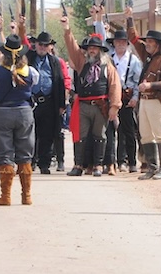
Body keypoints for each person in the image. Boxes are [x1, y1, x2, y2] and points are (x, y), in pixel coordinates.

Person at [0, 34, 39, 206]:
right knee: (25, 153)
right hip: (24, 111)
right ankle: (26, 196)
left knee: (5, 153)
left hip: (3, 112)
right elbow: (36, 81)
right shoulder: (29, 71)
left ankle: (6, 196)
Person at [61, 20, 122, 177]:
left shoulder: (108, 66)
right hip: (83, 105)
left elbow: (115, 86)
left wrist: (114, 106)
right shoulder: (82, 62)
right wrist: (67, 30)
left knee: (99, 136)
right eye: (90, 48)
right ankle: (78, 165)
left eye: (95, 48)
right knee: (80, 136)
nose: (92, 50)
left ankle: (98, 166)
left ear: (100, 50)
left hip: (100, 105)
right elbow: (73, 48)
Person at [125, 6, 161, 180]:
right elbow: (133, 38)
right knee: (146, 133)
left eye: (150, 42)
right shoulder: (148, 55)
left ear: (158, 44)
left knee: (160, 133)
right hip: (145, 100)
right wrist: (129, 19)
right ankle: (152, 167)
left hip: (157, 100)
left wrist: (150, 85)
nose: (147, 44)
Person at [27, 30, 68, 175]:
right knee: (30, 134)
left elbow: (60, 82)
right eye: (40, 44)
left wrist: (62, 105)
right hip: (31, 101)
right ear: (35, 44)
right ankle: (29, 162)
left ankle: (44, 164)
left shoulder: (55, 61)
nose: (42, 47)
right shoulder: (27, 58)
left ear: (50, 46)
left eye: (46, 45)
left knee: (47, 135)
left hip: (49, 102)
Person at [107, 28, 142, 173]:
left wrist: (135, 98)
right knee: (111, 131)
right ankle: (116, 161)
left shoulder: (133, 60)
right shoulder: (109, 58)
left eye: (123, 42)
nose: (120, 44)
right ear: (114, 43)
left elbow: (137, 81)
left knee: (128, 131)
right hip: (111, 97)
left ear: (127, 44)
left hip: (127, 96)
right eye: (117, 42)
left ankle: (131, 162)